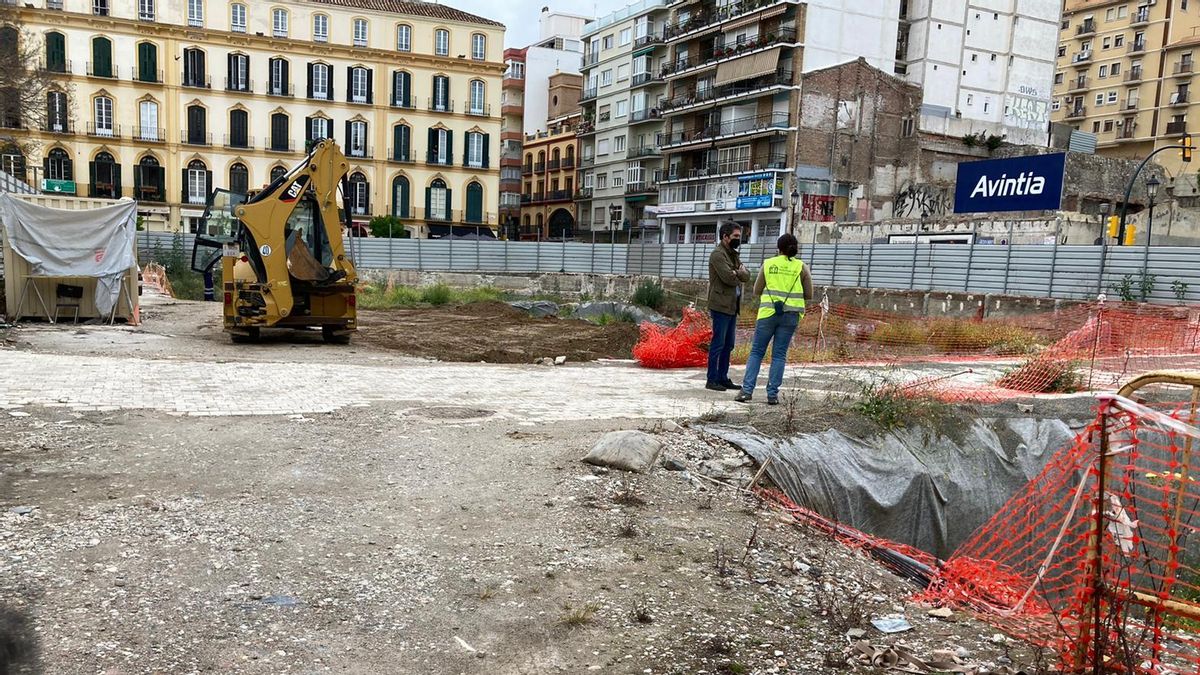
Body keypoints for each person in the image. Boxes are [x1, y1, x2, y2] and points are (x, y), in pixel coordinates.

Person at [735, 233, 811, 405]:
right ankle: (772, 395)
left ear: (778, 248)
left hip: (768, 314)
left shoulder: (768, 264)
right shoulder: (801, 267)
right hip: (791, 315)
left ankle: (746, 391)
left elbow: (756, 290)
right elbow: (809, 293)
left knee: (756, 352)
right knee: (779, 355)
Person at [706, 221, 750, 391]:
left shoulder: (733, 254)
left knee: (728, 344)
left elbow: (746, 276)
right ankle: (712, 379)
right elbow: (728, 278)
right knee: (718, 343)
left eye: (739, 236)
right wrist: (738, 272)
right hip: (721, 305)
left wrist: (737, 272)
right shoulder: (718, 255)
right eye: (736, 236)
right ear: (725, 237)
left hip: (732, 306)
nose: (739, 239)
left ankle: (723, 377)